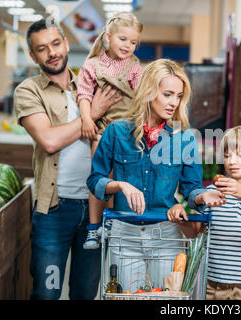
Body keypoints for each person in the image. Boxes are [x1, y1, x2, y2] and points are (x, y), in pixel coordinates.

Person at [86, 59, 225, 293]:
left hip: (166, 234)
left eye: (178, 96)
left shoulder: (184, 139)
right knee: (126, 299)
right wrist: (121, 185)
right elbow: (94, 180)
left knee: (167, 300)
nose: (173, 103)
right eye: (167, 94)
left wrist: (203, 195)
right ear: (150, 91)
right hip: (124, 235)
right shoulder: (117, 132)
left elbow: (191, 188)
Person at [14, 18, 121, 300]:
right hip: (54, 210)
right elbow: (49, 141)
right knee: (47, 293)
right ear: (32, 55)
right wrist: (93, 113)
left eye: (56, 43)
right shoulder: (29, 91)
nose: (51, 52)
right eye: (42, 48)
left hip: (96, 210)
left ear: (66, 43)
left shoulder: (90, 87)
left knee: (86, 293)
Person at [170, 125, 241, 300]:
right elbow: (195, 231)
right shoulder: (213, 191)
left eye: (240, 155)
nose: (232, 161)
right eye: (227, 155)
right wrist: (181, 220)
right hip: (209, 284)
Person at [77, 12, 144, 250]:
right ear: (108, 37)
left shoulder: (135, 68)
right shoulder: (92, 65)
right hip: (102, 129)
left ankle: (111, 221)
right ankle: (94, 227)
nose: (128, 45)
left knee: (119, 179)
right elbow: (84, 95)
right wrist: (87, 119)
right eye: (123, 39)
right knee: (99, 176)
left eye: (133, 42)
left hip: (127, 131)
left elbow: (142, 99)